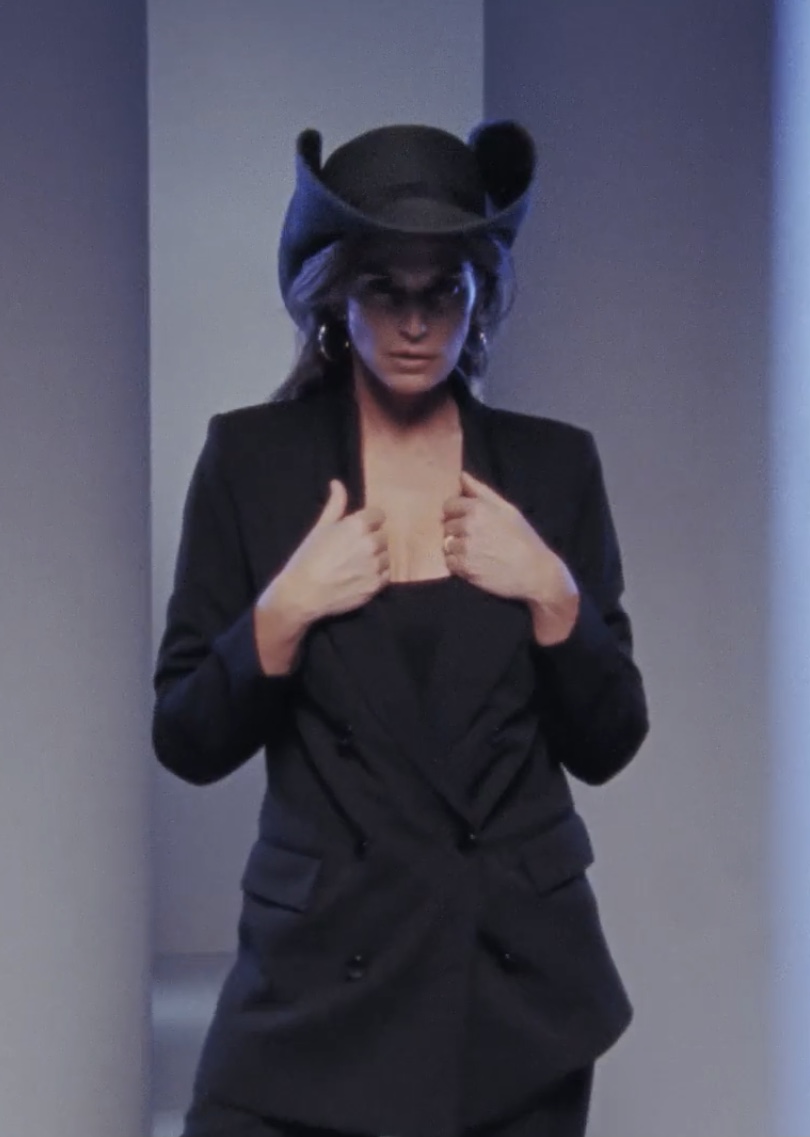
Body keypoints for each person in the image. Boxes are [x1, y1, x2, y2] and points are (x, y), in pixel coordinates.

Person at [152, 120, 649, 1137]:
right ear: (336, 297)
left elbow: (609, 741)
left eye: (444, 291)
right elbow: (186, 737)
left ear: (480, 300)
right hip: (316, 977)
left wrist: (552, 593)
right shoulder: (252, 462)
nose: (416, 323)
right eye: (386, 289)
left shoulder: (553, 469)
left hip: (508, 983)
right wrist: (282, 614)